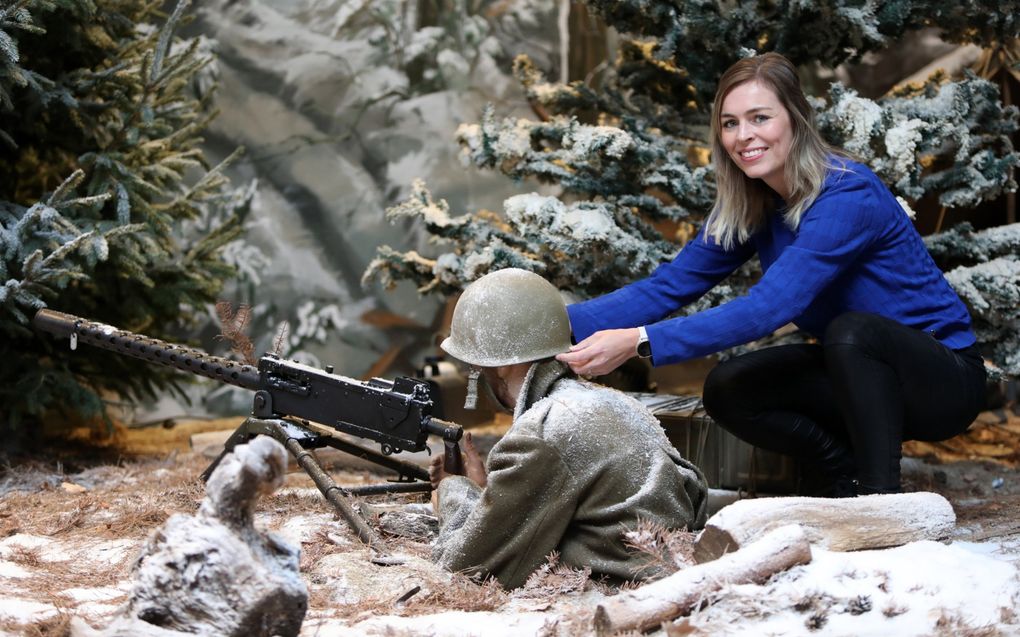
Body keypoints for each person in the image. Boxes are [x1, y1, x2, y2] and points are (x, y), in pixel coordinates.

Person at [556, 52, 986, 497]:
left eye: (760, 118)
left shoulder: (847, 195)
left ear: (796, 120)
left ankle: (881, 499)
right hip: (861, 376)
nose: (744, 136)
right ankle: (841, 475)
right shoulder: (758, 203)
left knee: (853, 332)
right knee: (730, 387)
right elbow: (672, 284)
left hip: (942, 380)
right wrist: (553, 326)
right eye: (730, 123)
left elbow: (769, 308)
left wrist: (639, 342)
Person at [429, 268, 708, 589]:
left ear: (502, 365)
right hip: (669, 575)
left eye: (477, 367)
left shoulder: (541, 434)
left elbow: (463, 566)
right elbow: (692, 490)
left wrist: (455, 489)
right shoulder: (620, 404)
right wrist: (488, 489)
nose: (476, 374)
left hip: (616, 596)